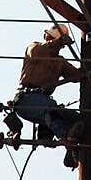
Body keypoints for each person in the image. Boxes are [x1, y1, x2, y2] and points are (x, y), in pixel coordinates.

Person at [6, 23, 85, 169]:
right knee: (52, 110)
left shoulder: (59, 62)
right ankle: (66, 138)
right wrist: (59, 41)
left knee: (76, 119)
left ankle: (72, 147)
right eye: (49, 38)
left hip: (43, 103)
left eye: (53, 39)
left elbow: (77, 76)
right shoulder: (34, 47)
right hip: (26, 100)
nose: (50, 41)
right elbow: (38, 52)